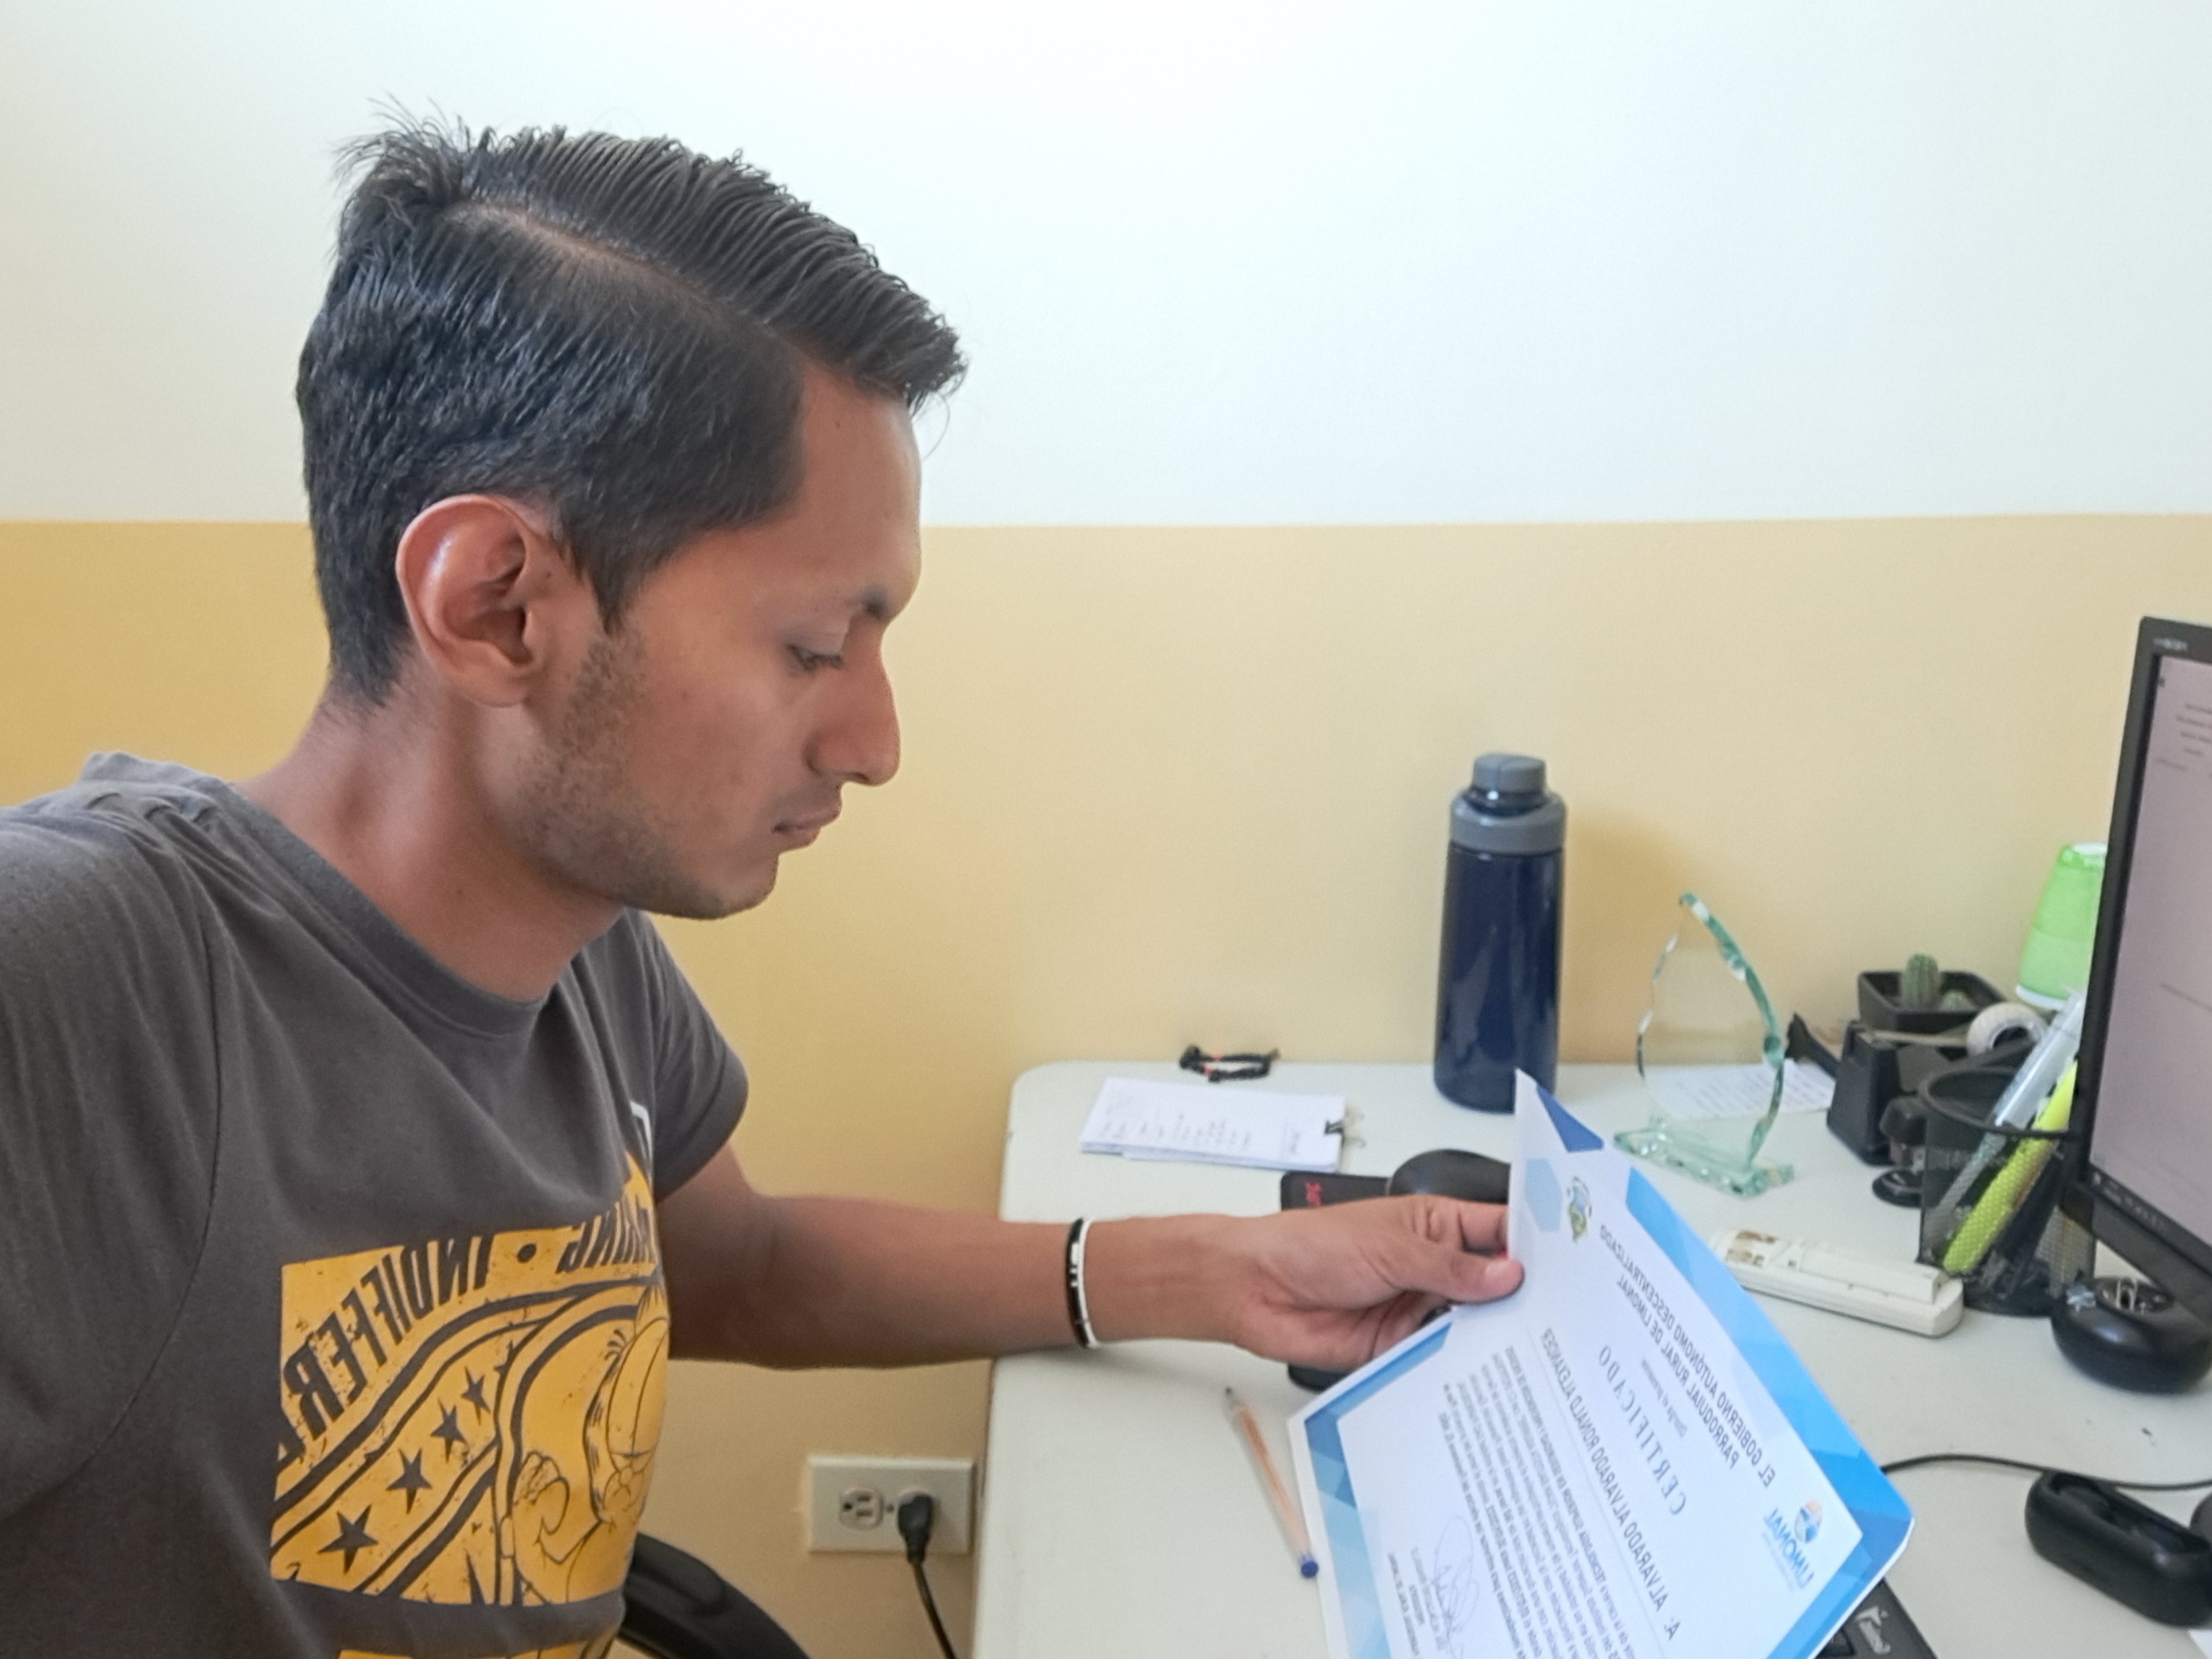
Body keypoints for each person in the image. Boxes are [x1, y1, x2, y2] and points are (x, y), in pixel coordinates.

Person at [0, 120, 1522, 1658]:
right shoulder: (79, 990)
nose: (874, 744)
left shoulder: (578, 935)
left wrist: (1218, 1270)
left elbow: (741, 1266)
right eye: (812, 647)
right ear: (497, 605)